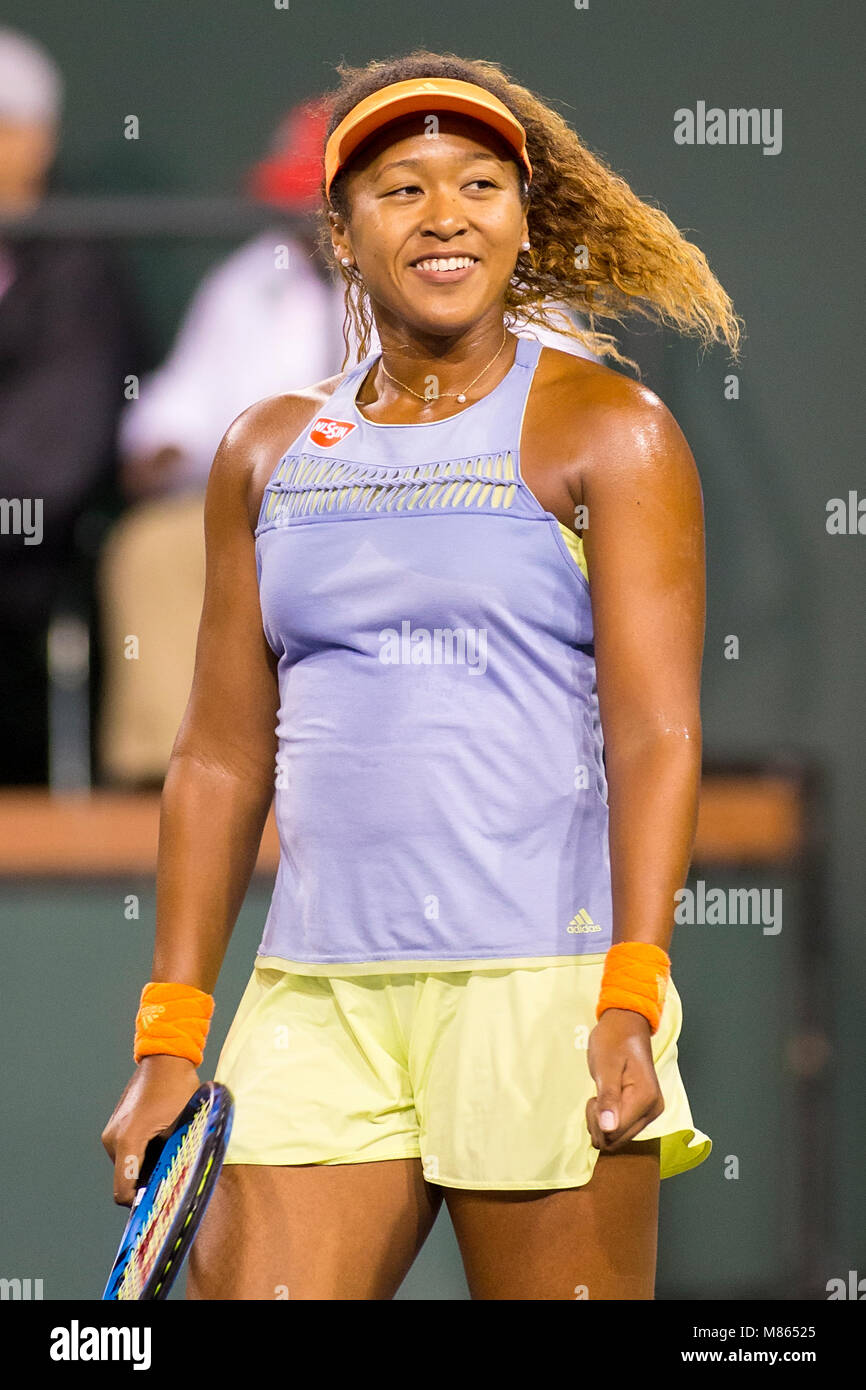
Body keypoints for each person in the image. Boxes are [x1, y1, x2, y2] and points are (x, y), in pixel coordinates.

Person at [101, 48, 743, 1300]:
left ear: (520, 218)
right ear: (339, 233)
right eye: (400, 188)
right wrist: (172, 1031)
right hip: (314, 998)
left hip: (542, 992)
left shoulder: (610, 429)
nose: (444, 213)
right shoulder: (265, 447)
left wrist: (631, 988)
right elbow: (221, 754)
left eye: (479, 185)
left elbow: (656, 731)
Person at [100, 97, 599, 787]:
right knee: (155, 547)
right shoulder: (249, 282)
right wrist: (204, 456)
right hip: (283, 511)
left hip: (452, 504)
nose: (304, 225)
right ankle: (182, 786)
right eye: (297, 206)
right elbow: (167, 427)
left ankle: (445, 765)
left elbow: (574, 433)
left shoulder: (485, 273)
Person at [0, 28, 141, 784]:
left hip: (27, 554)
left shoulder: (78, 267)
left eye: (4, 126)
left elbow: (53, 454)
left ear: (37, 140)